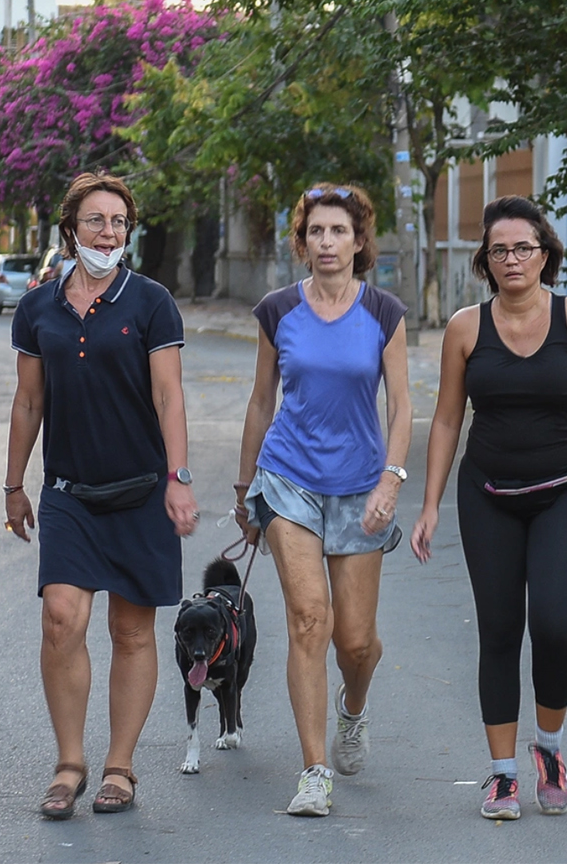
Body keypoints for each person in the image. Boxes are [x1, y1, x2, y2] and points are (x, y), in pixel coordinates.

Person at [410, 196, 567, 821]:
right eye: (499, 250)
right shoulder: (465, 328)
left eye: (523, 248)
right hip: (487, 493)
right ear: (485, 261)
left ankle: (550, 748)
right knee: (499, 629)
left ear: (545, 254)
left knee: (556, 624)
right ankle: (503, 774)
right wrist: (429, 504)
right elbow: (447, 420)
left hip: (563, 490)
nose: (512, 259)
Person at [3, 172, 197, 819]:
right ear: (70, 229)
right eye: (96, 220)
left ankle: (120, 765)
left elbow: (168, 396)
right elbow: (28, 402)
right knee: (61, 618)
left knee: (131, 630)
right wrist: (13, 484)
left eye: (119, 222)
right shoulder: (38, 308)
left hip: (142, 491)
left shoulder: (151, 302)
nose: (109, 233)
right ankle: (69, 764)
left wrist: (178, 478)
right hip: (69, 493)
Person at [235, 183, 412, 818]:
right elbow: (262, 400)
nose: (327, 242)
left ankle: (352, 709)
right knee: (311, 618)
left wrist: (391, 481)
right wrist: (244, 489)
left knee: (356, 642)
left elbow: (402, 405)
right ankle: (314, 771)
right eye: (316, 231)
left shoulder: (384, 312)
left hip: (361, 485)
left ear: (359, 241)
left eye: (339, 231)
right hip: (289, 479)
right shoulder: (277, 310)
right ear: (303, 242)